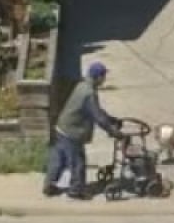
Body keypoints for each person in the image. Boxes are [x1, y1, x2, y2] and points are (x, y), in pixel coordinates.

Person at [43, 62, 123, 200]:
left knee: (59, 160)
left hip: (61, 128)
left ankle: (49, 185)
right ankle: (75, 191)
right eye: (104, 76)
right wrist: (113, 131)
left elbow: (95, 111)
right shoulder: (89, 93)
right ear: (98, 77)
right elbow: (97, 117)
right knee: (77, 162)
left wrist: (112, 119)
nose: (104, 80)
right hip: (72, 132)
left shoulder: (82, 86)